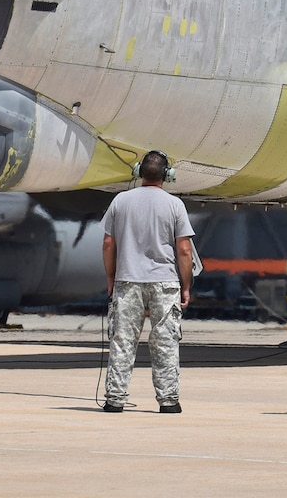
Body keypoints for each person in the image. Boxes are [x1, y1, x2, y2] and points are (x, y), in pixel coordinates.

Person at [101, 150, 195, 414]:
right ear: (167, 175)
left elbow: (108, 243)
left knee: (122, 341)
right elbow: (184, 250)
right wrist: (185, 286)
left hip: (127, 280)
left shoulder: (120, 201)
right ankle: (168, 401)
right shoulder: (174, 205)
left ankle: (115, 399)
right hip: (164, 283)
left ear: (139, 171)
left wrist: (111, 277)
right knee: (165, 342)